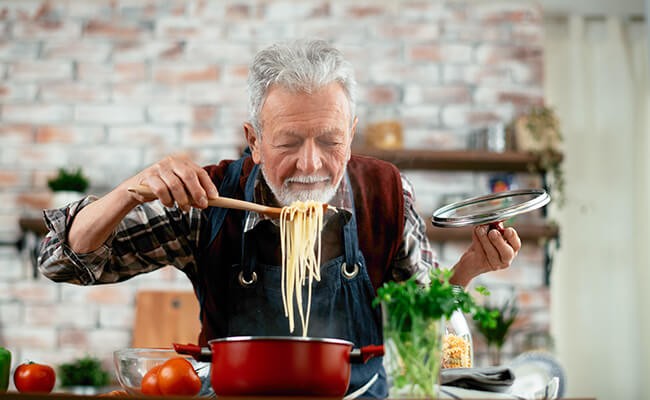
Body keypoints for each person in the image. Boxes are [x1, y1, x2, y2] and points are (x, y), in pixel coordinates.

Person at [38, 39, 521, 398]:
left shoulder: (386, 192)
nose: (311, 164)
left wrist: (471, 268)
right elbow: (62, 260)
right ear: (254, 139)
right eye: (289, 143)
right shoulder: (207, 199)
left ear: (351, 135)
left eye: (331, 141)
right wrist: (128, 191)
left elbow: (421, 321)